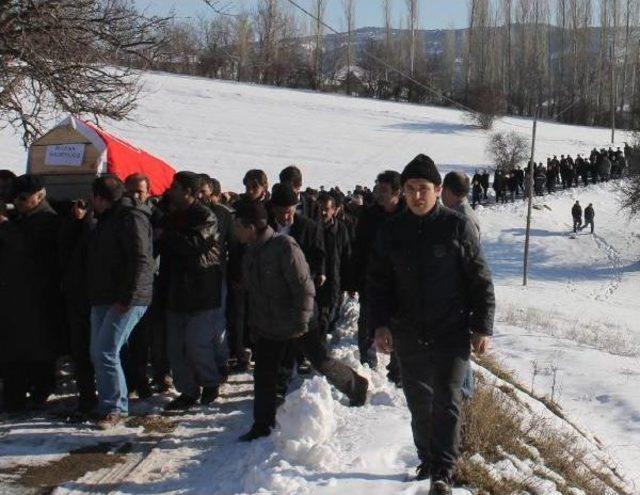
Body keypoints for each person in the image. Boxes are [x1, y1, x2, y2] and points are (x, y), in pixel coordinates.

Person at [368, 154, 495, 493]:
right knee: (418, 400)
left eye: (423, 189)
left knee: (448, 399)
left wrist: (482, 327)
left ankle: (444, 469)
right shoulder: (392, 230)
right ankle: (426, 457)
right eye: (410, 189)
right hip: (408, 331)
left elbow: (479, 279)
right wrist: (380, 325)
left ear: (438, 190)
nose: (416, 196)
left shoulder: (456, 226)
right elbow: (378, 283)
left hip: (450, 329)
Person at [235, 199, 368, 442]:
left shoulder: (285, 246)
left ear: (250, 226)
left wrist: (302, 322)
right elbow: (255, 293)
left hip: (299, 321)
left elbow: (305, 288)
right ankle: (262, 423)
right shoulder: (251, 249)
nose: (235, 231)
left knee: (321, 361)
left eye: (238, 225)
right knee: (264, 373)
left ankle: (356, 386)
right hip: (269, 324)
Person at [87, 175, 154, 429]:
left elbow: (140, 259)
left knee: (106, 350)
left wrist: (128, 296)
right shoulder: (107, 219)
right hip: (104, 294)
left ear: (100, 198)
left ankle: (115, 407)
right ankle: (108, 402)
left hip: (127, 297)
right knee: (98, 351)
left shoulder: (131, 217)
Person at [159, 172, 226, 411]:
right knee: (176, 348)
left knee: (197, 344)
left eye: (175, 187)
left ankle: (210, 382)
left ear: (188, 192)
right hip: (176, 291)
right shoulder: (172, 216)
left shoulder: (205, 217)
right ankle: (187, 391)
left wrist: (166, 236)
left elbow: (194, 244)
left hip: (201, 290)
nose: (171, 190)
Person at [0, 174, 63, 412]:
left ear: (39, 196)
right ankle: (15, 397)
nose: (18, 203)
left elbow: (27, 248)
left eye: (23, 198)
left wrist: (5, 225)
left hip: (37, 297)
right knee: (14, 350)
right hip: (14, 296)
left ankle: (37, 392)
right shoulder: (22, 217)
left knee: (36, 350)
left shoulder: (48, 219)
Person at [352, 171, 405, 372]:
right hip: (371, 279)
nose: (379, 194)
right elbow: (358, 249)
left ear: (397, 192)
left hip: (401, 282)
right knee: (367, 320)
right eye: (377, 189)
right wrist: (354, 280)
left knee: (399, 325)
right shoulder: (369, 215)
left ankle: (398, 368)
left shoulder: (407, 216)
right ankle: (367, 362)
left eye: (384, 190)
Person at [441, 171, 481, 401]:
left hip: (461, 294)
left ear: (447, 190)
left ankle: (464, 396)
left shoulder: (463, 219)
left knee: (459, 349)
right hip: (457, 292)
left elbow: (471, 263)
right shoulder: (460, 214)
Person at [316, 192, 353, 346]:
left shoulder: (341, 229)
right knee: (318, 316)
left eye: (327, 209)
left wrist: (349, 283)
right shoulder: (311, 227)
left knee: (327, 315)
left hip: (334, 279)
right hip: (315, 279)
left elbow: (346, 255)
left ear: (334, 210)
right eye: (320, 208)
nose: (323, 212)